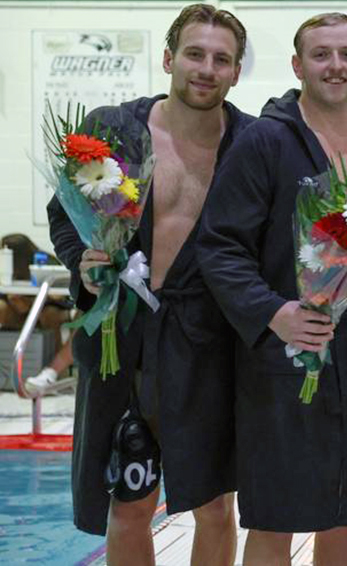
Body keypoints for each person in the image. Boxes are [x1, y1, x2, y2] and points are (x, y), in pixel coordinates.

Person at [47, 5, 252, 564]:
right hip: (121, 334)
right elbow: (65, 214)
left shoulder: (253, 143)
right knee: (128, 498)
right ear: (168, 58)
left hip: (206, 343)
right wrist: (83, 262)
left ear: (236, 72)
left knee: (214, 503)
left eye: (221, 59)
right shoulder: (113, 127)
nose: (206, 69)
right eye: (194, 54)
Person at [197, 12, 347, 566]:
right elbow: (219, 244)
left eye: (346, 55)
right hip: (281, 352)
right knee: (276, 513)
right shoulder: (265, 140)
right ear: (297, 65)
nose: (336, 66)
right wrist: (272, 311)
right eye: (321, 54)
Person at [0, 234, 74, 394]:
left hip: (49, 306)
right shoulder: (4, 264)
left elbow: (62, 296)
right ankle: (7, 366)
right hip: (20, 307)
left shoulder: (46, 260)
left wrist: (33, 303)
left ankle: (56, 370)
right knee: (1, 308)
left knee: (50, 314)